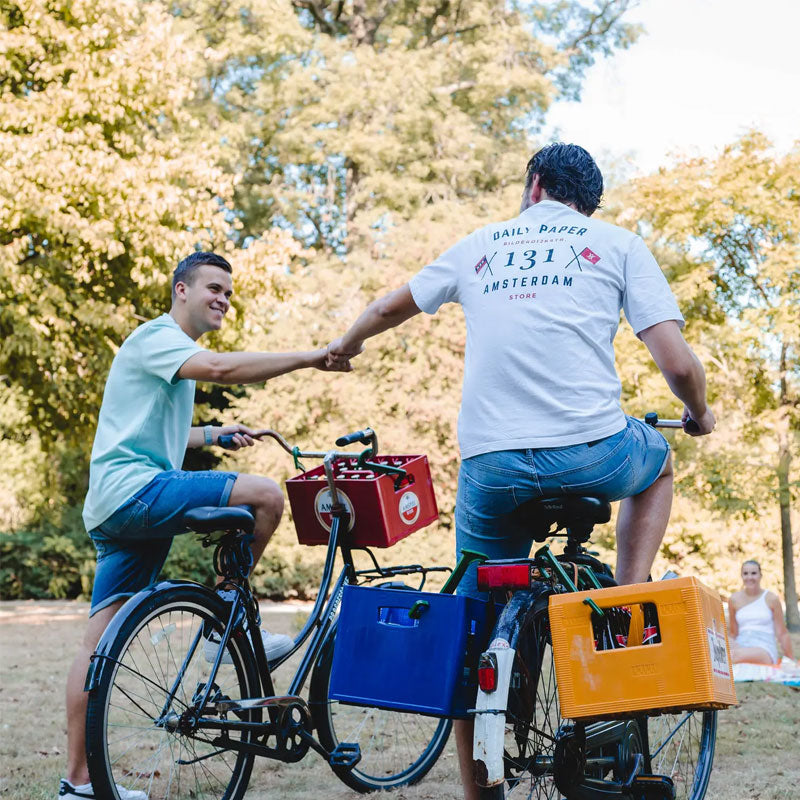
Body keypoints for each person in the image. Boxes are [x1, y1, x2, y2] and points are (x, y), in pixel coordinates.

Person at [326, 143, 715, 800]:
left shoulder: (480, 244)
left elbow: (391, 307)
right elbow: (677, 364)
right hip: (591, 451)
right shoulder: (617, 244)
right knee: (658, 466)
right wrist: (699, 413)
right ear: (587, 204)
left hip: (492, 466)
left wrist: (347, 344)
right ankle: (624, 601)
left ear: (535, 184)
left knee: (473, 637)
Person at [59, 251, 352, 800]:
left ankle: (77, 782)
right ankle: (224, 622)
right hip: (138, 490)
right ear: (181, 290)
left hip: (114, 506)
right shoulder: (159, 337)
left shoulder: (163, 354)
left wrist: (216, 433)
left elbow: (161, 430)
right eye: (214, 288)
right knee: (267, 496)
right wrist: (312, 357)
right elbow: (219, 368)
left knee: (96, 650)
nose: (223, 299)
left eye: (228, 293)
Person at [729, 559, 795, 665]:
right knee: (717, 648)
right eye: (745, 573)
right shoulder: (734, 599)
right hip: (741, 644)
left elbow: (782, 633)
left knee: (732, 655)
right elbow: (733, 633)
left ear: (760, 575)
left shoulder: (771, 598)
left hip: (764, 647)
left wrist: (791, 659)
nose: (749, 577)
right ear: (741, 575)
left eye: (753, 573)